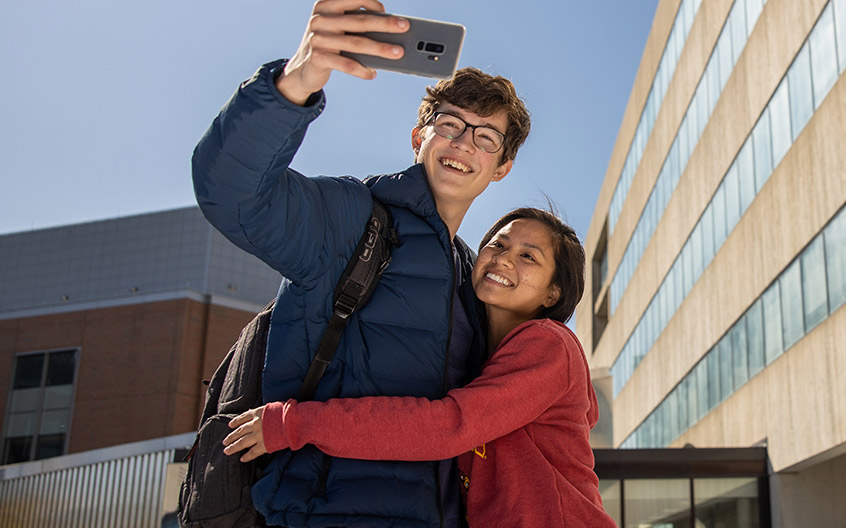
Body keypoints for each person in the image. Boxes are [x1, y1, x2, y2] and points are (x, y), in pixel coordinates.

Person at [191, 0, 530, 525]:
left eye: (486, 137)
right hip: (321, 513)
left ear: (502, 167)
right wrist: (295, 82)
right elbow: (233, 194)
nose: (464, 142)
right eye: (450, 125)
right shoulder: (354, 221)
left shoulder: (475, 276)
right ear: (420, 137)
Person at [222, 208, 615, 527]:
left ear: (554, 292)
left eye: (528, 256)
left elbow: (446, 427)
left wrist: (296, 425)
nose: (503, 257)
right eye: (497, 244)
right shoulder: (481, 360)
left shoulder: (549, 343)